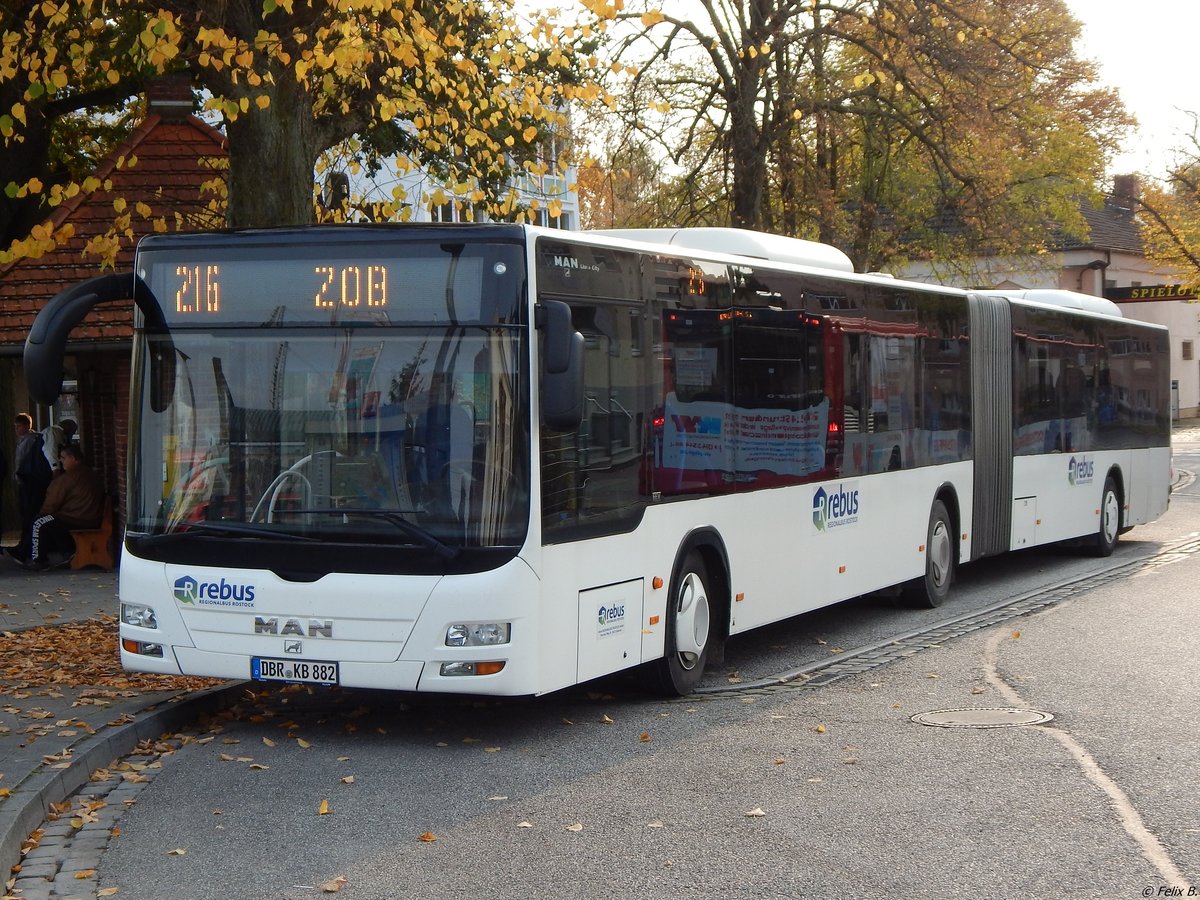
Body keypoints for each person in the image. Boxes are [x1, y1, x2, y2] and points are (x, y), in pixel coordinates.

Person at [7, 445, 104, 569]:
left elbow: (52, 503)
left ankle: (38, 560)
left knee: (39, 522)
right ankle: (66, 551)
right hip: (88, 516)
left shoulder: (68, 477)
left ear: (73, 458)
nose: (61, 461)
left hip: (78, 517)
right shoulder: (89, 473)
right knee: (47, 521)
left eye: (63, 458)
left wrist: (43, 514)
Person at [11, 413, 53, 551]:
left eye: (18, 427)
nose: (16, 430)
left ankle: (26, 545)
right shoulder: (24, 440)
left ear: (26, 426)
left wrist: (19, 476)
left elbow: (22, 461)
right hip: (24, 480)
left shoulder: (30, 441)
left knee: (28, 512)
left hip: (28, 481)